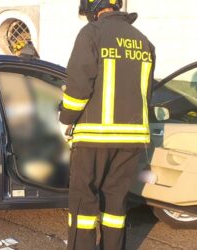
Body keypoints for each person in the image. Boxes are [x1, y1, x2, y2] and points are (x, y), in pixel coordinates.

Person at [60, 1, 156, 249]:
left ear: (93, 8)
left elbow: (78, 88)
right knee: (116, 206)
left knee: (84, 205)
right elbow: (146, 92)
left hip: (94, 137)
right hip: (131, 140)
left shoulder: (91, 33)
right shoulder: (143, 41)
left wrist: (66, 119)